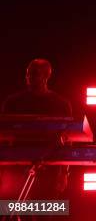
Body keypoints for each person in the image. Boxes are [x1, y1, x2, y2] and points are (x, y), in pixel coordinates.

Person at [1, 58, 73, 203]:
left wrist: (64, 173)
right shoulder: (13, 103)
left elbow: (68, 140)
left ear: (46, 76)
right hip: (16, 168)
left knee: (46, 211)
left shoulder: (61, 104)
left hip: (51, 168)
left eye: (34, 74)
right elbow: (3, 136)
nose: (28, 78)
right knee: (15, 210)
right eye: (28, 74)